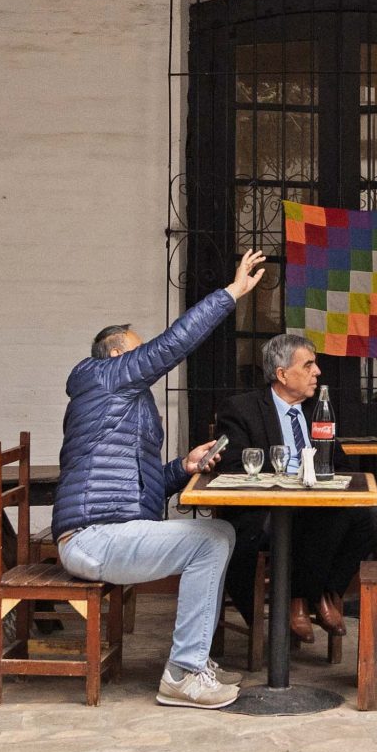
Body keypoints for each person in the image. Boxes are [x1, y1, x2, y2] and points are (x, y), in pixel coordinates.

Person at [53, 249, 267, 710]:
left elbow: (138, 486)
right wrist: (231, 293)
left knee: (219, 532)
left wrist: (181, 469)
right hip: (94, 538)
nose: (146, 354)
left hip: (112, 531)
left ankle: (193, 662)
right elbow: (172, 344)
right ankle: (184, 673)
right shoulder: (103, 376)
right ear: (116, 353)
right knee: (210, 540)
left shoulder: (124, 403)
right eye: (137, 346)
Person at [213, 333, 377, 650]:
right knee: (326, 518)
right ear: (282, 374)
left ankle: (320, 593)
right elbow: (232, 467)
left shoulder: (316, 409)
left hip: (317, 510)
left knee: (376, 515)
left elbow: (341, 465)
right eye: (308, 364)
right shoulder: (241, 409)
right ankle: (305, 596)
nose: (317, 372)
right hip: (265, 515)